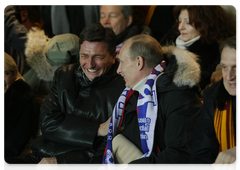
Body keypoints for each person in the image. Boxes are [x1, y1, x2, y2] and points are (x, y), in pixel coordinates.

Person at [0, 23, 125, 170]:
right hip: (40, 156)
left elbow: (113, 147)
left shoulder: (125, 86)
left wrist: (62, 161)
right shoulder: (65, 75)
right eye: (84, 56)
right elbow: (48, 124)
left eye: (97, 57)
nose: (90, 64)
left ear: (113, 56)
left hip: (77, 164)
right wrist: (97, 129)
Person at [98, 34, 202, 170]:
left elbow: (179, 156)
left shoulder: (180, 97)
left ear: (139, 62)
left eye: (121, 62)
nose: (118, 70)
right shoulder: (132, 93)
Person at [188, 34, 240, 170]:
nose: (229, 77)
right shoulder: (214, 95)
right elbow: (202, 152)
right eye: (224, 67)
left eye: (237, 68)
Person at [165, 0, 236, 95]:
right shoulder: (169, 40)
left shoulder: (217, 51)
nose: (180, 27)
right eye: (180, 21)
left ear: (205, 23)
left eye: (188, 22)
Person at [0, 50, 37, 157]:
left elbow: (11, 148)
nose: (1, 80)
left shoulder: (21, 101)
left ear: (15, 73)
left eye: (5, 73)